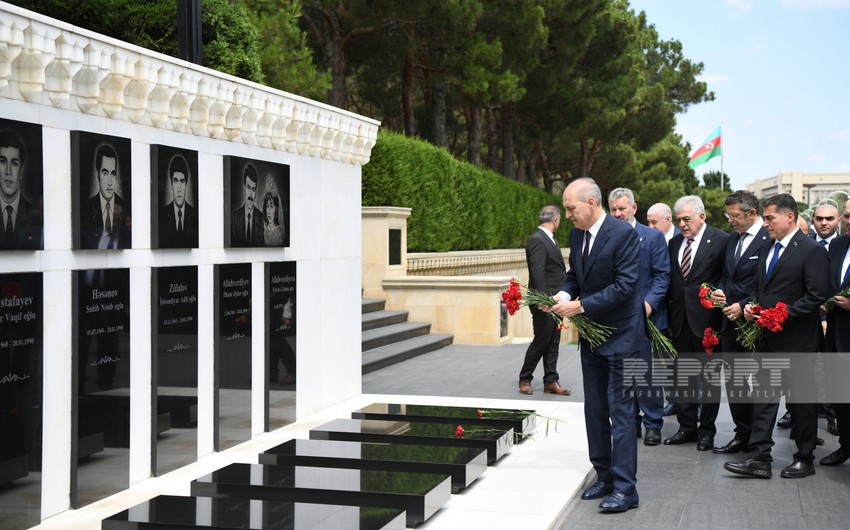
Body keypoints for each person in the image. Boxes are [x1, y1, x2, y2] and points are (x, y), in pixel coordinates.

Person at [547, 178, 642, 512]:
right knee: (596, 409)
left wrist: (580, 306)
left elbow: (626, 287)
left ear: (591, 202)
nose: (567, 215)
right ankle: (603, 476)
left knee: (622, 411)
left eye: (571, 208)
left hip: (623, 336)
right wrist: (561, 295)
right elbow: (576, 276)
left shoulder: (624, 234)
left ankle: (626, 488)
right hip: (592, 337)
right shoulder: (576, 234)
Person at [723, 193, 830, 479]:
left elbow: (817, 294)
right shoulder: (767, 247)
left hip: (799, 342)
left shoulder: (811, 250)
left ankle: (804, 458)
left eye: (770, 218)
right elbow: (759, 288)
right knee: (764, 400)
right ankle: (759, 458)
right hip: (767, 339)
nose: (765, 223)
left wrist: (783, 315)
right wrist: (750, 307)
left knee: (801, 403)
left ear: (789, 216)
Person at [663, 195, 728, 451]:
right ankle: (686, 427)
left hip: (708, 322)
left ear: (702, 217)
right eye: (678, 219)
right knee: (684, 378)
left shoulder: (721, 240)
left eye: (686, 219)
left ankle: (706, 432)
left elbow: (726, 275)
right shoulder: (675, 243)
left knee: (709, 380)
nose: (681, 224)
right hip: (679, 321)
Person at [608, 188, 670, 446]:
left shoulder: (653, 237)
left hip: (647, 319)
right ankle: (629, 422)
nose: (618, 213)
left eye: (623, 208)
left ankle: (653, 423)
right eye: (613, 209)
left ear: (634, 208)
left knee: (648, 374)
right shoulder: (607, 237)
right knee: (623, 375)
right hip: (616, 320)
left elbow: (662, 276)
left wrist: (648, 305)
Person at [708, 190, 768, 455]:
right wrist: (719, 291)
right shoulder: (733, 239)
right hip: (729, 322)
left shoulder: (768, 238)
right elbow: (725, 275)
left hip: (755, 324)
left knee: (758, 383)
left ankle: (758, 439)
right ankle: (741, 433)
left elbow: (766, 284)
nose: (729, 220)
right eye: (727, 215)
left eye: (734, 215)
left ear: (751, 214)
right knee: (735, 382)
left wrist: (743, 305)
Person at [517, 205, 570, 396]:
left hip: (555, 300)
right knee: (542, 340)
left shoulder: (550, 239)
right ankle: (525, 378)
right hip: (544, 302)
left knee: (553, 341)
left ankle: (550, 380)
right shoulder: (537, 240)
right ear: (555, 220)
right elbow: (537, 273)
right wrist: (544, 300)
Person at [820, 198, 850, 466]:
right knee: (840, 396)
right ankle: (845, 445)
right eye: (848, 215)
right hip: (838, 332)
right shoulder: (839, 245)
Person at [647, 202, 679, 417]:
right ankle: (673, 399)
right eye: (648, 222)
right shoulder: (648, 240)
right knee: (664, 361)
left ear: (668, 220)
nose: (650, 227)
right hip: (658, 311)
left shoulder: (681, 240)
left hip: (681, 311)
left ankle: (691, 403)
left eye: (654, 222)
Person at [81, 143, 130, 249]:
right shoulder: (89, 237)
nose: (115, 224)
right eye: (112, 220)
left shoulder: (128, 239)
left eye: (118, 221)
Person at [0, 128, 41, 250]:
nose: (8, 171)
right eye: (2, 162)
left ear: (21, 171)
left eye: (14, 163)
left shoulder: (34, 215)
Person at [158, 153, 198, 248]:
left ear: (186, 185)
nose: (179, 189)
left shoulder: (195, 215)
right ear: (171, 185)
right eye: (175, 181)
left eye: (182, 181)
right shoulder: (162, 215)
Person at [230, 163, 265, 247]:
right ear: (244, 188)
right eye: (248, 187)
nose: (250, 194)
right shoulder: (235, 217)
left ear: (256, 192)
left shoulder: (261, 218)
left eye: (253, 189)